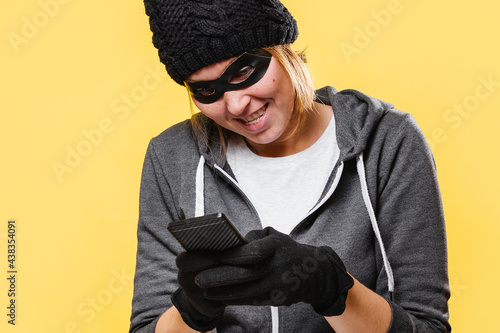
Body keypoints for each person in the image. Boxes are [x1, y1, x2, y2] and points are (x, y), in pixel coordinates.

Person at [130, 0, 451, 332]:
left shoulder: (388, 141)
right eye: (207, 90)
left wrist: (331, 288)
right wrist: (193, 309)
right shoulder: (172, 156)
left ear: (283, 48)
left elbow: (427, 328)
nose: (237, 105)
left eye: (243, 71)